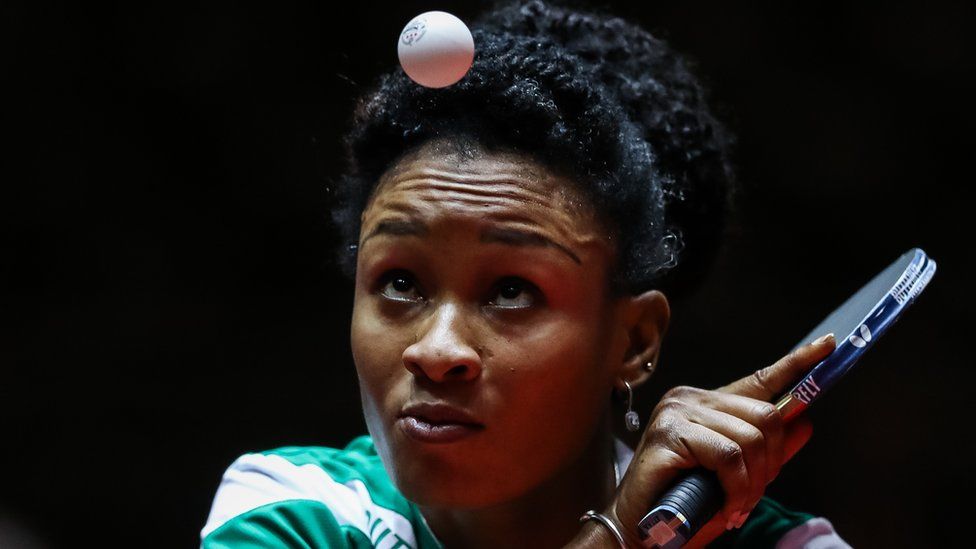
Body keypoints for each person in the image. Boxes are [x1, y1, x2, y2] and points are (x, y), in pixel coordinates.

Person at [201, 1, 852, 547]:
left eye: (512, 290)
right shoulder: (295, 511)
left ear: (633, 341)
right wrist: (622, 535)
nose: (436, 350)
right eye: (400, 281)